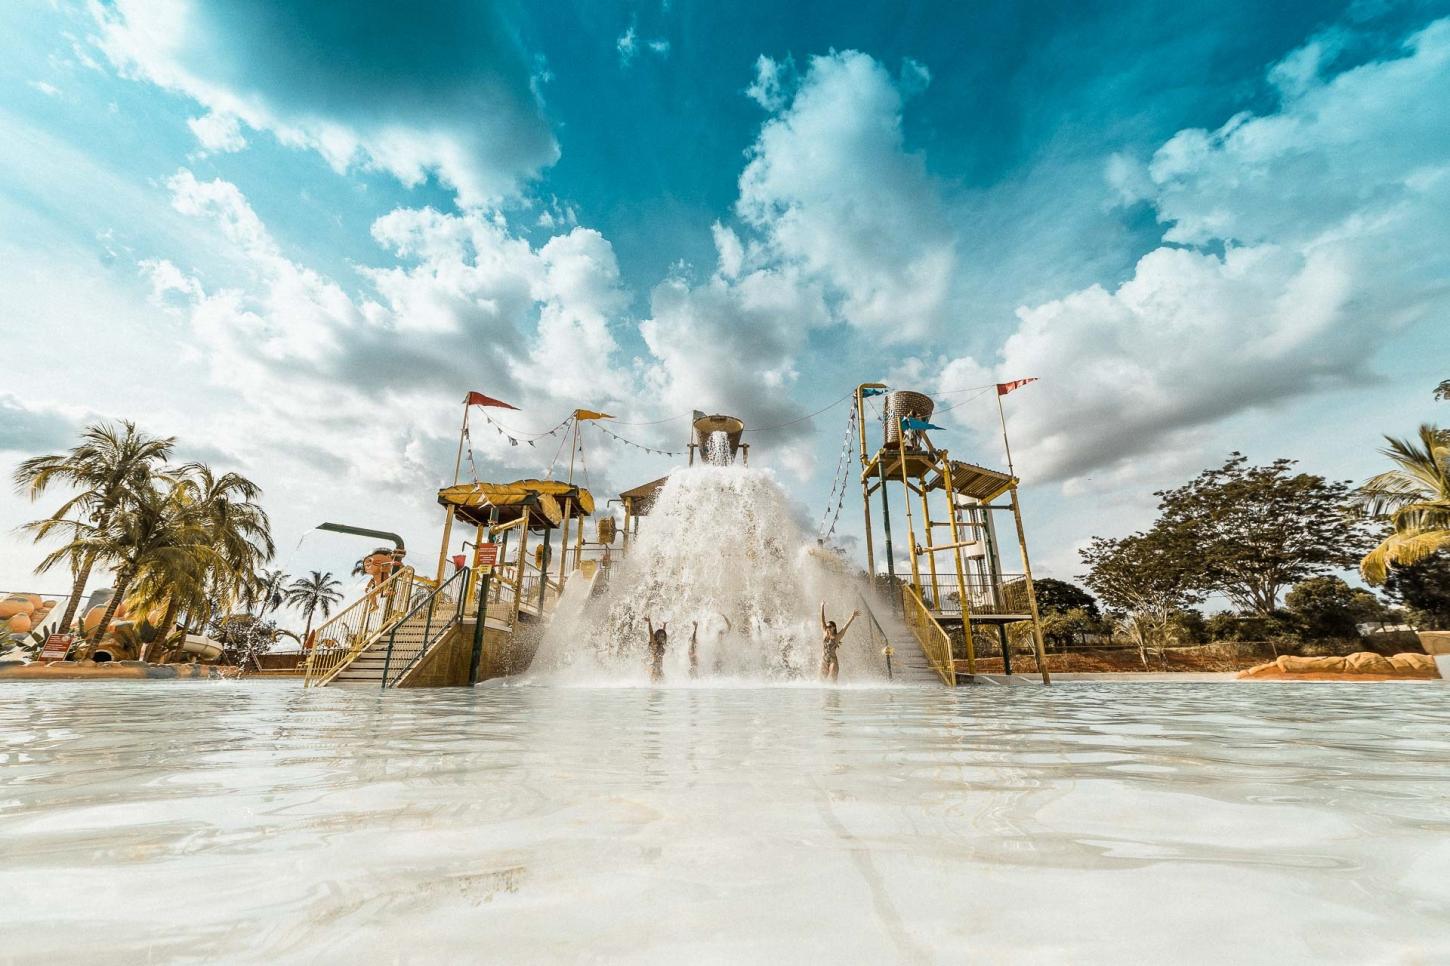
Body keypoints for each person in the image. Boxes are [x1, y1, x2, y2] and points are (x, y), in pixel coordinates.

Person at [819, 602, 859, 682]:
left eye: (829, 626)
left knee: (832, 681)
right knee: (821, 681)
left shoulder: (837, 637)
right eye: (827, 626)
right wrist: (822, 606)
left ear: (834, 628)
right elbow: (822, 619)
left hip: (833, 661)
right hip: (824, 659)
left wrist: (852, 617)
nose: (827, 628)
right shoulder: (824, 633)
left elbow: (845, 627)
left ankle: (835, 694)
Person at [645, 617, 668, 683]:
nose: (663, 638)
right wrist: (649, 622)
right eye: (661, 637)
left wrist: (664, 625)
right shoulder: (654, 644)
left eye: (663, 637)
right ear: (657, 637)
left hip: (660, 668)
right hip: (654, 668)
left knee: (662, 686)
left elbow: (663, 632)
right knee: (654, 686)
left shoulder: (661, 645)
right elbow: (651, 632)